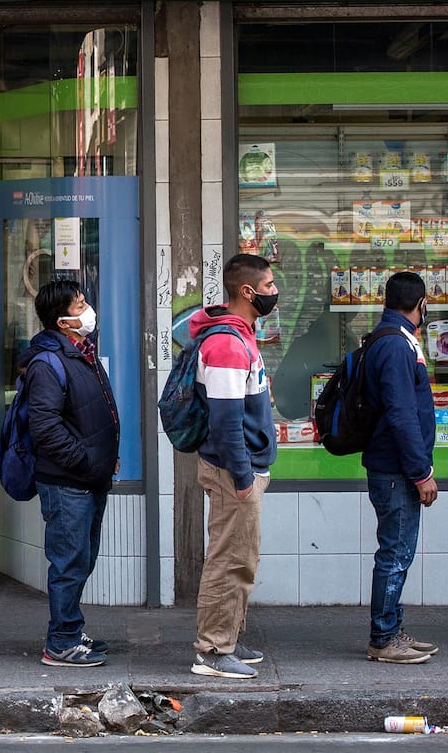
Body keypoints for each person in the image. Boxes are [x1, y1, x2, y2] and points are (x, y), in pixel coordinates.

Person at [188, 254, 278, 679]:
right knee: (229, 560)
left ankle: (228, 636)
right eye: (269, 285)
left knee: (242, 558)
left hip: (242, 468)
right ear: (247, 291)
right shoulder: (226, 344)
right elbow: (226, 422)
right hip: (233, 472)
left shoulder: (241, 334)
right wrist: (242, 477)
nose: (274, 292)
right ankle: (212, 650)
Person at [23, 279, 120, 668]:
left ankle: (70, 630)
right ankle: (60, 643)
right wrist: (87, 460)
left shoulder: (82, 352)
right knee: (68, 563)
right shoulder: (48, 363)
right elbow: (45, 428)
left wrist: (104, 459)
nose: (88, 310)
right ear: (62, 321)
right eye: (80, 306)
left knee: (81, 559)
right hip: (68, 481)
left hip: (89, 477)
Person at [361, 271, 440, 665]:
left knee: (398, 553)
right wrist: (421, 472)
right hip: (395, 470)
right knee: (395, 555)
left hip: (394, 467)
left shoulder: (394, 338)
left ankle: (392, 628)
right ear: (420, 304)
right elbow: (401, 414)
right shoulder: (395, 345)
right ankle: (383, 638)